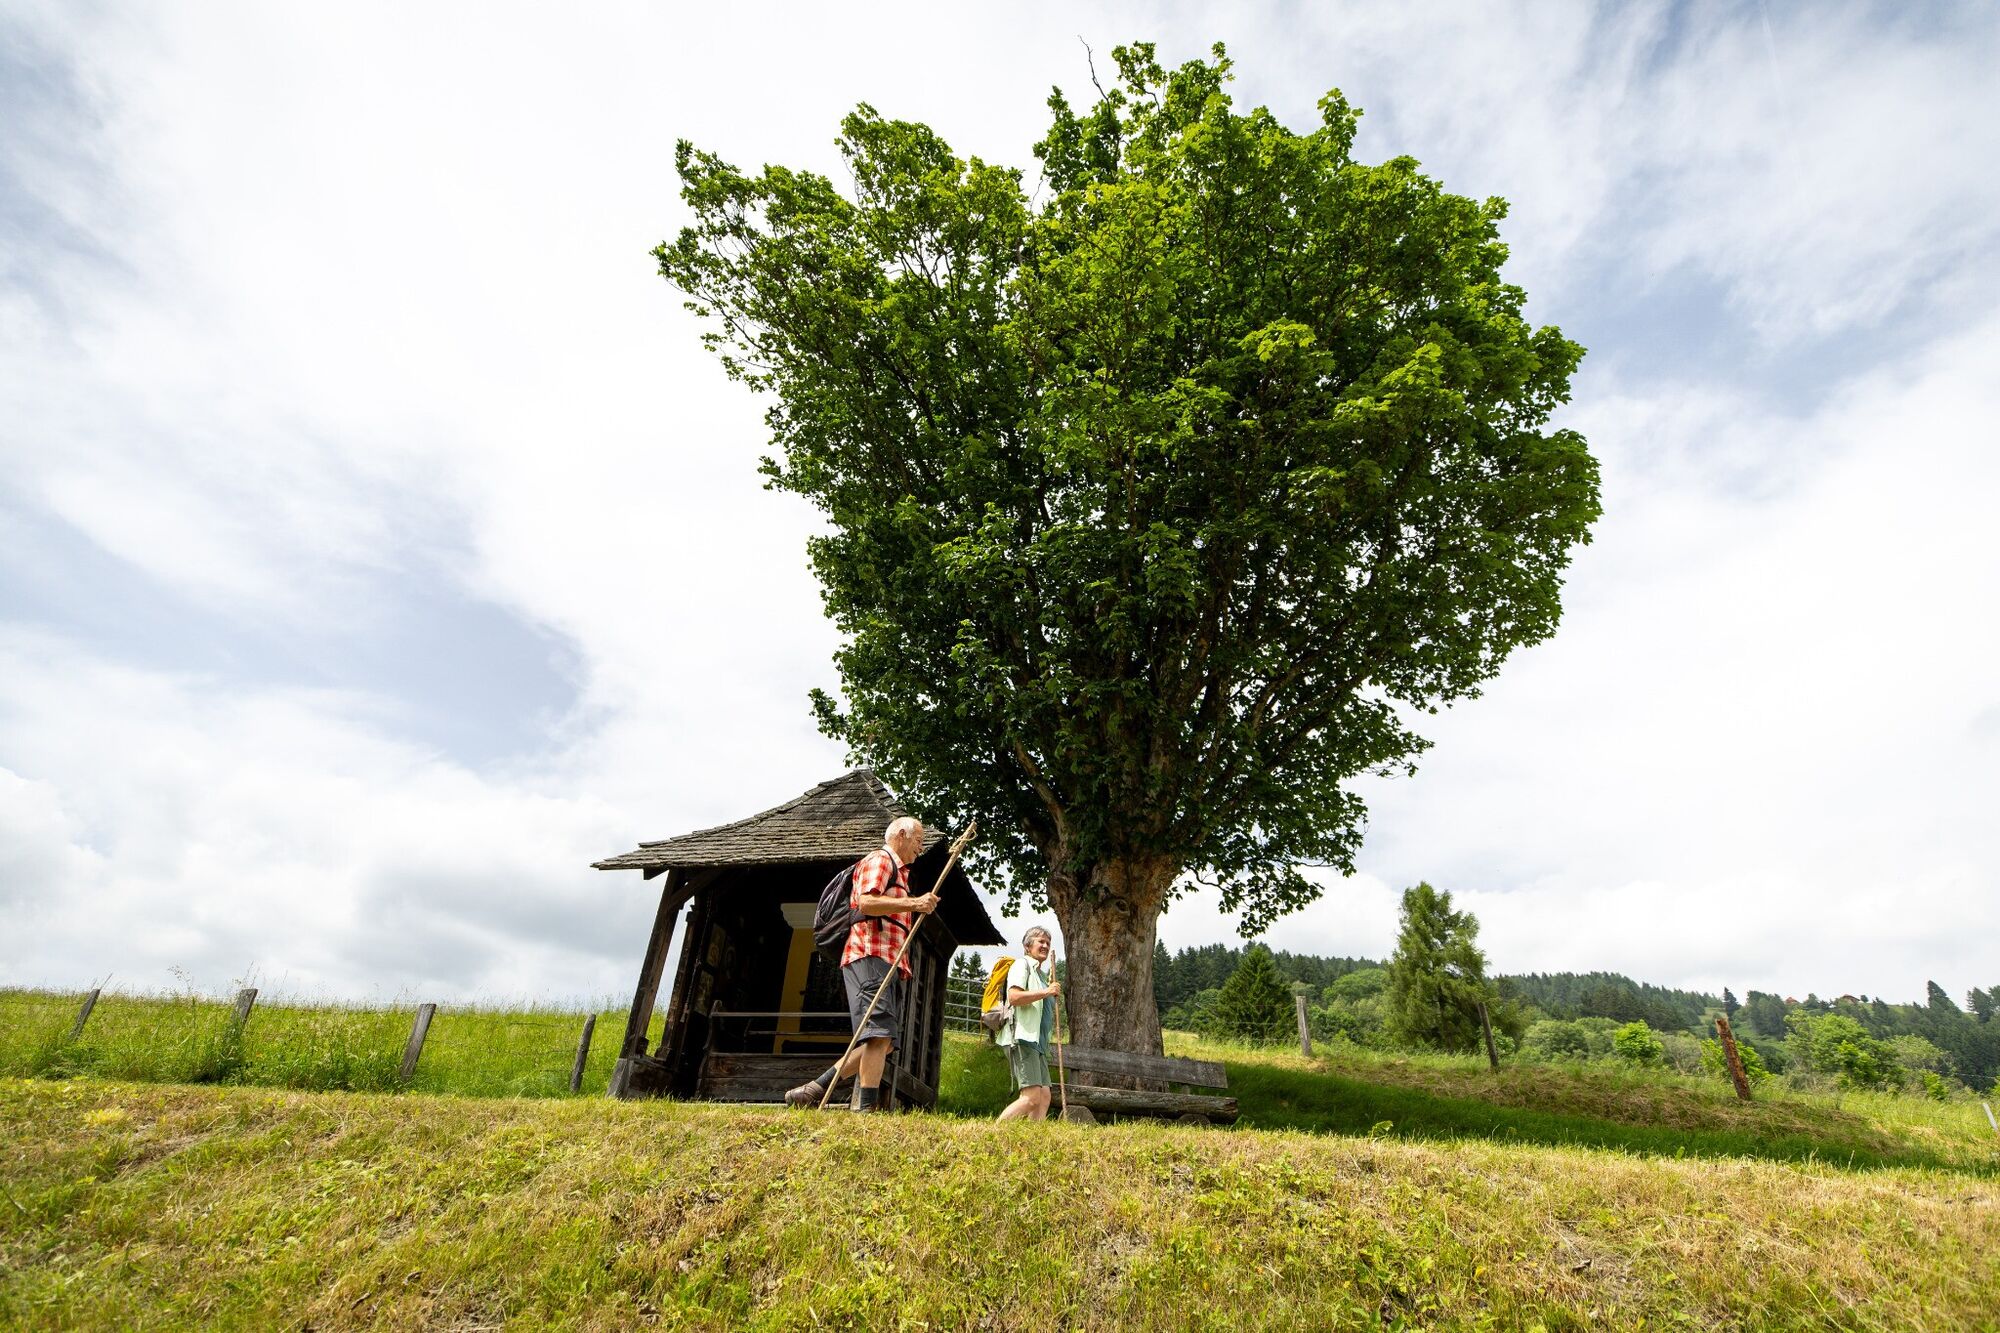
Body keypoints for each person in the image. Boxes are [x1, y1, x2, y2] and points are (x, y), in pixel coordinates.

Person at [785, 816, 938, 1111]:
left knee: (884, 1041)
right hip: (870, 954)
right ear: (902, 834)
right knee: (878, 1034)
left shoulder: (900, 873)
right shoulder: (880, 860)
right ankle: (866, 1110)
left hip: (887, 961)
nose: (921, 848)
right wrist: (914, 903)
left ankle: (812, 1089)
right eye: (919, 840)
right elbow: (867, 903)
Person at [996, 925, 1061, 1121]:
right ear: (1027, 946)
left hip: (1037, 1043)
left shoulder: (1040, 975)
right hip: (1022, 1037)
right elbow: (1014, 997)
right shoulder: (1021, 965)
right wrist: (1047, 992)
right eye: (1041, 941)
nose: (1045, 946)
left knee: (1044, 1097)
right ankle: (994, 1132)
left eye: (1048, 942)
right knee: (1031, 1098)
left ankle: (1034, 1136)